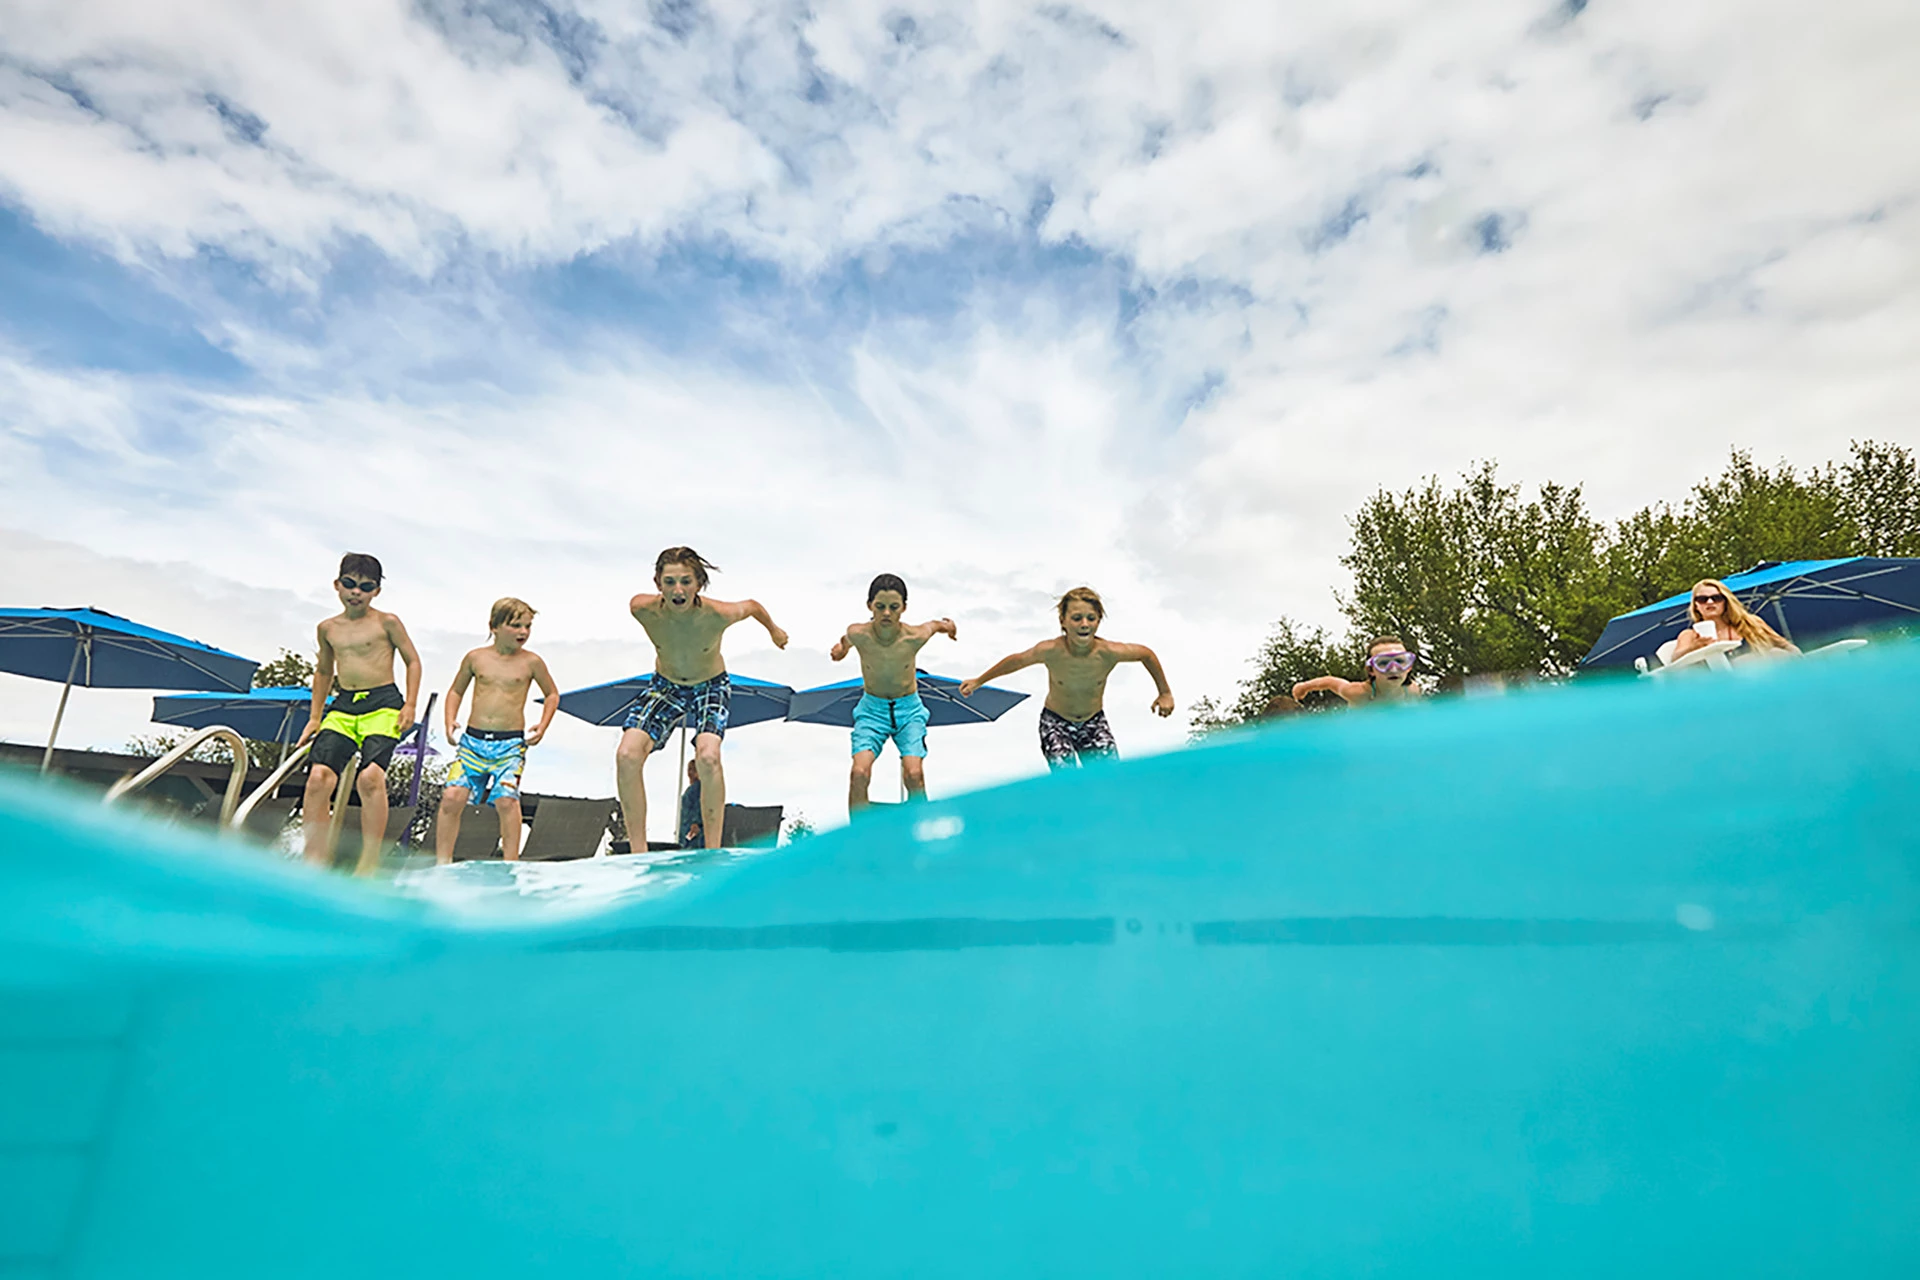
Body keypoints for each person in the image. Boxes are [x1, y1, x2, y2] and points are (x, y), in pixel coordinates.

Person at [612, 547, 789, 853]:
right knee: (627, 755)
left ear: (699, 583)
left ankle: (713, 852)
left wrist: (774, 631)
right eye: (669, 582)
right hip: (665, 685)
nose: (677, 590)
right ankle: (637, 853)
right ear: (657, 583)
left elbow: (752, 606)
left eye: (685, 581)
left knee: (707, 757)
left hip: (710, 685)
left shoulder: (718, 613)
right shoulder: (641, 608)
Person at [297, 553, 423, 876]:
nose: (357, 592)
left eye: (366, 587)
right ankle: (314, 860)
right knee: (318, 778)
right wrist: (315, 717)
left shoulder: (387, 622)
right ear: (337, 585)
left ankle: (368, 862)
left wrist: (410, 704)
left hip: (383, 703)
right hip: (344, 705)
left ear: (376, 591)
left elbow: (412, 661)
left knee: (370, 778)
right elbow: (324, 671)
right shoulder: (327, 628)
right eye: (350, 584)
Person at [959, 586, 1173, 770]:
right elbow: (1017, 661)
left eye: (1091, 618)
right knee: (1067, 777)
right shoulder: (1051, 650)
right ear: (1063, 621)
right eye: (1076, 618)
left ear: (1099, 621)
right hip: (1055, 723)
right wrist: (979, 680)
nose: (1084, 624)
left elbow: (1146, 654)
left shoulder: (1109, 652)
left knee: (1109, 778)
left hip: (1094, 723)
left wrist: (1164, 692)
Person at [435, 597, 559, 865]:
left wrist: (543, 724)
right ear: (494, 626)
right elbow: (456, 690)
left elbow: (552, 694)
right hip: (472, 743)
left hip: (510, 746)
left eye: (527, 626)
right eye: (516, 626)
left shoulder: (531, 662)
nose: (523, 632)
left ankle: (510, 863)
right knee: (452, 797)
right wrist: (449, 720)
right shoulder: (476, 658)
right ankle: (442, 863)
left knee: (506, 800)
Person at [830, 573, 958, 810]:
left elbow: (934, 625)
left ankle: (918, 827)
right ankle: (859, 836)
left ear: (903, 608)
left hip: (909, 710)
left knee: (914, 774)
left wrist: (948, 627)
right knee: (859, 773)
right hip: (871, 710)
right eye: (880, 607)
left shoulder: (914, 636)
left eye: (893, 607)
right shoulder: (859, 633)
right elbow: (847, 639)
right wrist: (841, 649)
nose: (886, 613)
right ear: (870, 606)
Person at [1670, 578, 1800, 661]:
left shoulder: (1751, 623)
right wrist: (1693, 647)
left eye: (1716, 598)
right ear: (1696, 606)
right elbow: (1674, 660)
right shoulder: (1690, 635)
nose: (1710, 602)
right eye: (1702, 599)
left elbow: (1785, 645)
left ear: (1726, 601)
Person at [1292, 636, 1419, 706]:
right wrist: (1303, 687)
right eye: (1383, 663)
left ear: (1409, 667)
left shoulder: (1412, 691)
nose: (1393, 668)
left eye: (1401, 661)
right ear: (1371, 670)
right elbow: (1330, 682)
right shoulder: (1358, 693)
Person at [678, 760, 703, 848]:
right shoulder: (690, 789)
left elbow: (699, 804)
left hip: (693, 832)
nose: (690, 772)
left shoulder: (698, 787)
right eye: (689, 769)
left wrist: (696, 822)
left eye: (693, 769)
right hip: (686, 830)